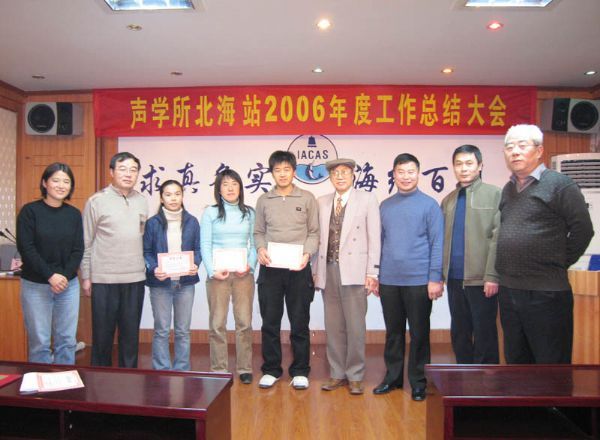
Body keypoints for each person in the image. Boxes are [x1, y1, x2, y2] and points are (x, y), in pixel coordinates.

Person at [496, 124, 594, 364]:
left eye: (522, 146)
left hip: (546, 293)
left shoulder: (560, 184)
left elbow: (583, 230)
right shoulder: (508, 189)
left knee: (550, 364)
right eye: (509, 147)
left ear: (539, 151)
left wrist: (557, 262)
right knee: (517, 361)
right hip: (509, 290)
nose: (515, 152)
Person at [374, 153, 443, 401]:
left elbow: (437, 243)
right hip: (389, 280)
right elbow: (379, 244)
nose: (406, 176)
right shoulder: (385, 206)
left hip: (419, 281)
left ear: (418, 174)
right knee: (393, 333)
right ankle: (392, 378)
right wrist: (376, 275)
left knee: (419, 333)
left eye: (410, 171)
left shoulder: (430, 205)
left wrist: (435, 278)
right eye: (401, 172)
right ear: (394, 174)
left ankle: (418, 382)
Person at [313, 158, 380, 395]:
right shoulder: (322, 202)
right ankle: (336, 373)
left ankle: (356, 375)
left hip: (355, 271)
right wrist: (314, 271)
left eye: (344, 172)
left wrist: (372, 271)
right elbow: (317, 239)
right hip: (328, 269)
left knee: (355, 326)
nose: (340, 176)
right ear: (330, 177)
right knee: (333, 326)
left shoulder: (367, 199)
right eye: (335, 173)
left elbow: (374, 237)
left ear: (353, 175)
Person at [254, 150, 319, 390]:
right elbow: (258, 232)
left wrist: (307, 254)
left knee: (299, 322)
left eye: (287, 169)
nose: (282, 174)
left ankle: (300, 370)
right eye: (277, 170)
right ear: (272, 173)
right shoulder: (264, 200)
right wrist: (260, 248)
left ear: (294, 171)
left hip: (298, 268)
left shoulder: (307, 198)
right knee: (270, 322)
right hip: (271, 269)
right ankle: (271, 369)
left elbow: (314, 232)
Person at [80, 151, 148, 368]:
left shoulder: (142, 201)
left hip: (135, 278)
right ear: (111, 172)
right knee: (102, 337)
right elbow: (86, 242)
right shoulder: (96, 201)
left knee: (130, 337)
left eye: (133, 170)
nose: (128, 174)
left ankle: (130, 381)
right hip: (104, 279)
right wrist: (87, 276)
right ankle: (100, 381)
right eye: (122, 169)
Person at [16, 162, 83, 364]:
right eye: (56, 180)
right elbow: (27, 248)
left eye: (66, 181)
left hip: (68, 285)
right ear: (45, 183)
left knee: (67, 340)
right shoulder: (30, 212)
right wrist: (51, 276)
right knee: (40, 342)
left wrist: (63, 276)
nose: (61, 185)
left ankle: (64, 381)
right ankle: (40, 381)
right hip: (36, 285)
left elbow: (78, 249)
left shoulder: (74, 214)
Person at [441, 145, 501, 364]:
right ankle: (463, 377)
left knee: (485, 333)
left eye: (469, 163)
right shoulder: (448, 200)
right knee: (460, 332)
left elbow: (498, 237)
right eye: (458, 164)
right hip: (454, 279)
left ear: (480, 166)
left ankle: (487, 380)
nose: (463, 169)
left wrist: (492, 275)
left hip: (482, 280)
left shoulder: (495, 194)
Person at [201, 169, 257, 384]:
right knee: (217, 323)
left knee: (244, 322)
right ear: (219, 189)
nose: (230, 188)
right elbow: (205, 244)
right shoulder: (210, 213)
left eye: (234, 183)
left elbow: (255, 244)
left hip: (243, 275)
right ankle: (219, 369)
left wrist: (249, 266)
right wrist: (211, 270)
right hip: (218, 276)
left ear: (240, 188)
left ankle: (244, 368)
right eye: (225, 184)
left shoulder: (249, 213)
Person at [143, 180, 200, 371]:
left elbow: (198, 249)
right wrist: (153, 268)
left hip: (185, 284)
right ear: (161, 198)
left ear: (182, 196)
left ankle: (182, 369)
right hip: (160, 284)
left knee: (183, 331)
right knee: (162, 330)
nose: (173, 198)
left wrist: (195, 263)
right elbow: (146, 252)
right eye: (168, 194)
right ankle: (162, 370)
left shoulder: (192, 221)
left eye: (177, 194)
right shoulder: (153, 223)